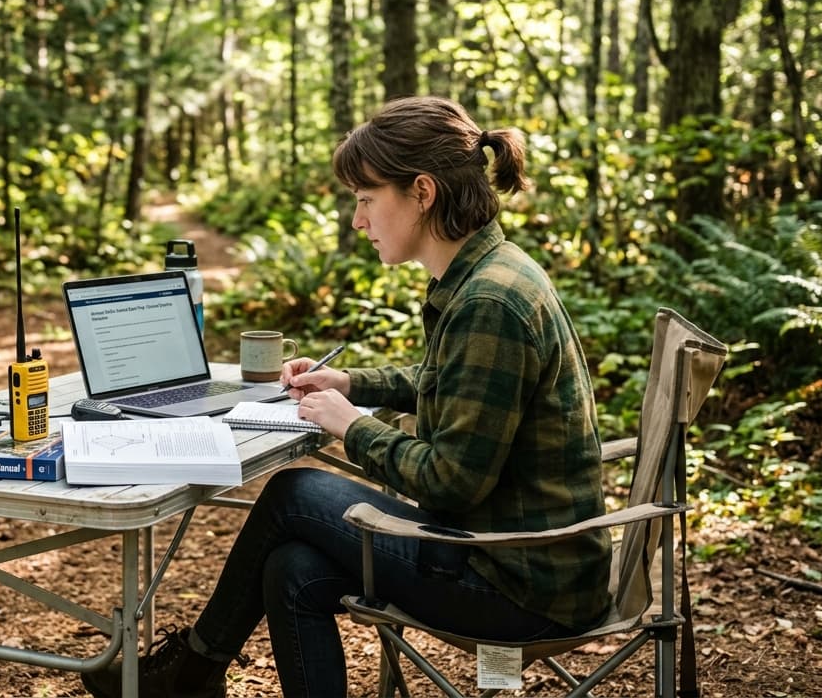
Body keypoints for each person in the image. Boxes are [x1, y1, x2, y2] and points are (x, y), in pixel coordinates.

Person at [81, 95, 612, 698]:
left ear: (422, 192)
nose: (357, 221)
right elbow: (452, 381)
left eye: (365, 200)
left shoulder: (488, 301)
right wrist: (352, 384)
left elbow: (451, 482)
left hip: (519, 578)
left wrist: (351, 426)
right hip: (516, 554)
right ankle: (193, 676)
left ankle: (189, 676)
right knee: (292, 570)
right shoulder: (490, 272)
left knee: (292, 491)